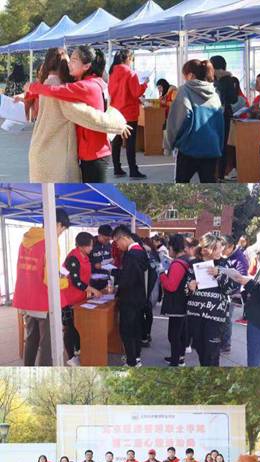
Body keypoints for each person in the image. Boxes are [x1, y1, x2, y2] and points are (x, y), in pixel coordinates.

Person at [27, 48, 129, 183]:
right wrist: (119, 124)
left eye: (73, 61)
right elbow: (90, 117)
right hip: (57, 159)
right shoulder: (62, 90)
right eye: (70, 61)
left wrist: (31, 88)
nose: (70, 65)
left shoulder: (48, 84)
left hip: (41, 152)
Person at [13, 208, 70, 366]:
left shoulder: (25, 240)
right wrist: (65, 282)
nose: (61, 233)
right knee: (47, 344)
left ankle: (28, 368)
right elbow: (50, 279)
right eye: (62, 229)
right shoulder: (50, 242)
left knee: (32, 338)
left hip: (26, 298)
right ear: (57, 224)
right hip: (43, 301)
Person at [165, 59, 224, 183]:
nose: (184, 78)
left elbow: (177, 122)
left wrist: (170, 144)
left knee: (181, 186)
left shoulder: (184, 91)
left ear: (190, 75)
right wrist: (218, 147)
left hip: (189, 148)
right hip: (211, 148)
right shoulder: (215, 94)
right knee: (210, 187)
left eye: (184, 75)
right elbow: (220, 125)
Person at [186, 233, 241, 366]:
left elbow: (233, 289)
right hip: (196, 314)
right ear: (205, 250)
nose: (220, 250)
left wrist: (219, 275)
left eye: (221, 247)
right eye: (216, 248)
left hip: (215, 317)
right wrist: (189, 286)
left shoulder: (224, 264)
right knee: (200, 349)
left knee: (212, 353)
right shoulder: (193, 264)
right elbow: (185, 289)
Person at [231, 223, 260, 366]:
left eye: (259, 242)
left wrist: (248, 283)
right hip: (257, 319)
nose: (256, 246)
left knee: (254, 362)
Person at [60, 232, 101, 366]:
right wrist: (92, 289)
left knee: (79, 325)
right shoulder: (73, 258)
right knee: (70, 327)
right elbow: (76, 281)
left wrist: (89, 290)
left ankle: (78, 350)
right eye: (90, 246)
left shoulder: (85, 256)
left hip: (79, 297)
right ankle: (71, 357)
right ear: (82, 246)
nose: (91, 248)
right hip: (68, 298)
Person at [112, 225, 149, 367]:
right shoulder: (141, 251)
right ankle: (136, 357)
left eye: (117, 242)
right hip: (139, 297)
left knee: (127, 331)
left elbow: (127, 280)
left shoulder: (130, 255)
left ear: (123, 238)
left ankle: (131, 361)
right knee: (137, 329)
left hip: (129, 299)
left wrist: (116, 287)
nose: (117, 246)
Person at [108, 49, 148, 179]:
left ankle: (117, 168)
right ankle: (133, 170)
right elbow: (136, 93)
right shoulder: (130, 73)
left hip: (115, 111)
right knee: (130, 143)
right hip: (129, 112)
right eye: (132, 59)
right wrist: (144, 85)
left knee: (116, 142)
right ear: (127, 59)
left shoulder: (112, 73)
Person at [159, 234, 191, 366]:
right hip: (183, 302)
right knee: (181, 333)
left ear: (172, 247)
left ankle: (175, 362)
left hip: (177, 304)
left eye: (169, 248)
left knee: (174, 335)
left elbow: (171, 286)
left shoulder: (178, 264)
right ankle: (179, 358)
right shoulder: (186, 260)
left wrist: (162, 274)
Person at [220, 234, 249, 354]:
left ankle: (226, 345)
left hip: (231, 294)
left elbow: (242, 278)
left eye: (223, 249)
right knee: (221, 317)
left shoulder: (240, 259)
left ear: (231, 246)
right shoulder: (226, 256)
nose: (221, 252)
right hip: (222, 290)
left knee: (226, 318)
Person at [89, 224, 113, 291]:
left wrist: (112, 262)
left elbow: (110, 258)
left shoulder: (109, 245)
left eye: (109, 240)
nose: (107, 241)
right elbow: (83, 260)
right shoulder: (91, 243)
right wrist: (93, 265)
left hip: (106, 279)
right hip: (92, 281)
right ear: (99, 235)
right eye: (106, 239)